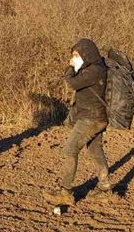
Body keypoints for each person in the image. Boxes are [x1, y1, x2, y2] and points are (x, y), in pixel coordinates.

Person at [43, 38, 112, 206]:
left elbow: (70, 84)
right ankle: (105, 189)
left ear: (86, 54)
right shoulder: (95, 68)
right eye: (73, 56)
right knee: (96, 150)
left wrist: (70, 67)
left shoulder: (94, 70)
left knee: (69, 151)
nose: (74, 58)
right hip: (97, 117)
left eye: (76, 55)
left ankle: (65, 192)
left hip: (91, 118)